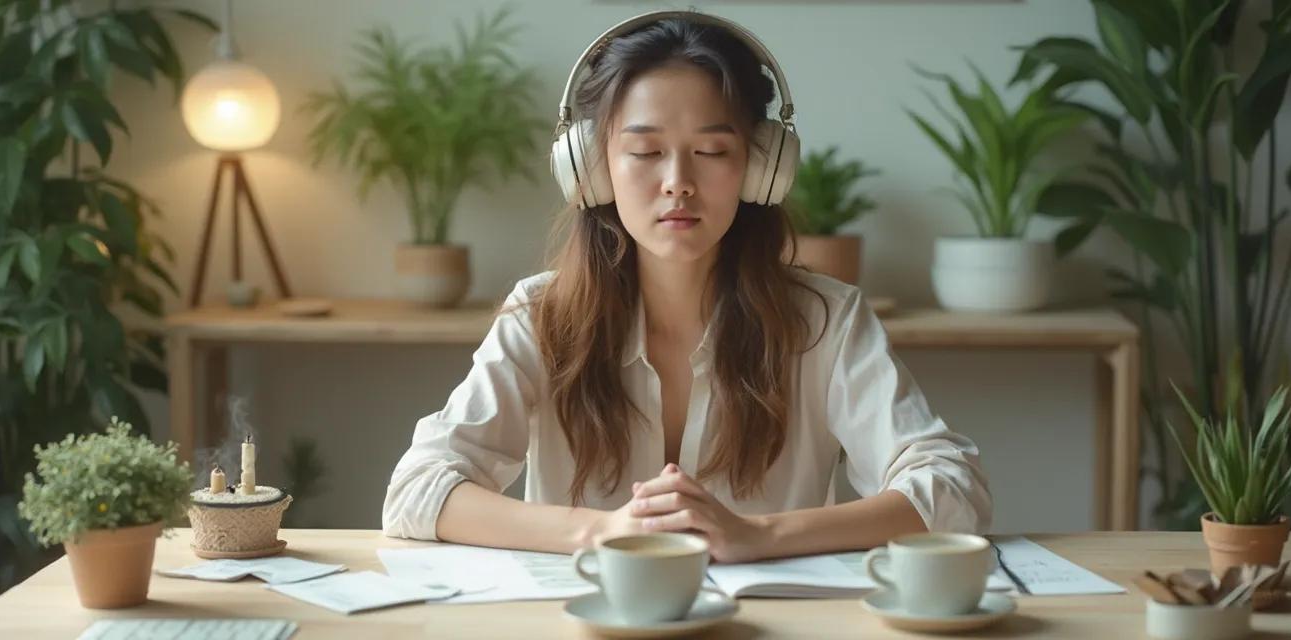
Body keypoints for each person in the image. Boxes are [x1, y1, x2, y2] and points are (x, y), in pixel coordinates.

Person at [383, 11, 990, 564]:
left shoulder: (826, 320)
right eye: (645, 151)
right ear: (593, 171)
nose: (678, 182)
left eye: (710, 150)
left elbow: (953, 487)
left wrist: (762, 535)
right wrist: (601, 531)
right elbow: (417, 489)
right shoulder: (541, 315)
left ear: (760, 168)